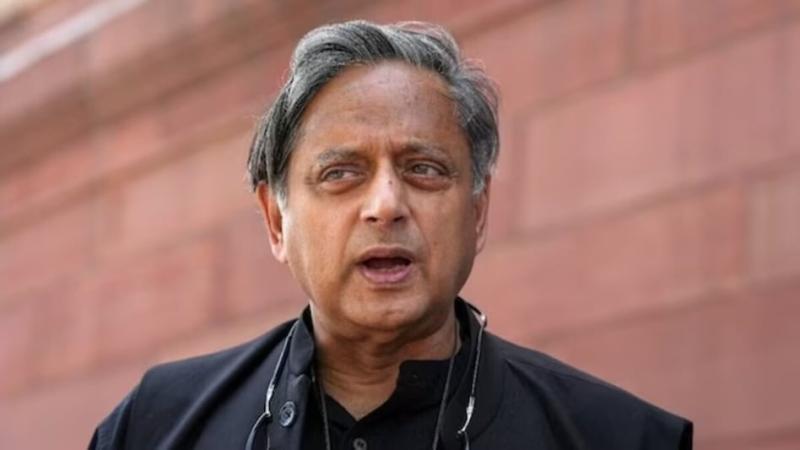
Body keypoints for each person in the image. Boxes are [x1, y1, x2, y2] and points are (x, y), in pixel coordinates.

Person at [90, 20, 692, 450]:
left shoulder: (619, 436)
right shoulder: (157, 426)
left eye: (423, 169)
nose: (386, 206)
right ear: (275, 220)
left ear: (478, 212)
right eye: (341, 173)